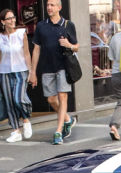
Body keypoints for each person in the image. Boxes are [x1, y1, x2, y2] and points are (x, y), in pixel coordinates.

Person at [29, 0, 80, 145]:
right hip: (46, 67)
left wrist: (69, 45)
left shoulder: (68, 25)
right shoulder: (41, 26)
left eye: (52, 5)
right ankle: (67, 119)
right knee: (51, 99)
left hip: (63, 66)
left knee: (62, 97)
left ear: (59, 7)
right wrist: (33, 72)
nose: (49, 8)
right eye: (48, 5)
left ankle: (58, 132)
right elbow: (36, 49)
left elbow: (77, 47)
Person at [0, 9, 33, 143]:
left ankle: (26, 120)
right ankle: (16, 131)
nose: (12, 20)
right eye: (9, 19)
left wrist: (31, 72)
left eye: (13, 18)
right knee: (9, 102)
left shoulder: (22, 33)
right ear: (3, 22)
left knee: (18, 98)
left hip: (21, 71)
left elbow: (27, 53)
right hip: (4, 72)